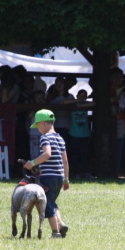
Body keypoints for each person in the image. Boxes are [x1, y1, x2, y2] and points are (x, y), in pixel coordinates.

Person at [23, 109, 70, 238]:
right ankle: (60, 224)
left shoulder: (45, 138)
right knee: (52, 202)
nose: (37, 128)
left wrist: (32, 163)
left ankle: (56, 232)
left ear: (43, 123)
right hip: (59, 177)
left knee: (46, 205)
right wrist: (66, 179)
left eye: (37, 125)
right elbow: (65, 161)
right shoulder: (60, 138)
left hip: (48, 177)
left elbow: (47, 154)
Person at [66, 89, 94, 178]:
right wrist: (78, 102)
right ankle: (76, 173)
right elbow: (64, 102)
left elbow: (94, 103)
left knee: (85, 155)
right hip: (74, 133)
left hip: (85, 134)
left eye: (84, 96)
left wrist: (81, 104)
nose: (82, 97)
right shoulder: (73, 103)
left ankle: (85, 172)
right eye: (80, 95)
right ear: (77, 96)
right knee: (75, 155)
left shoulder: (86, 104)